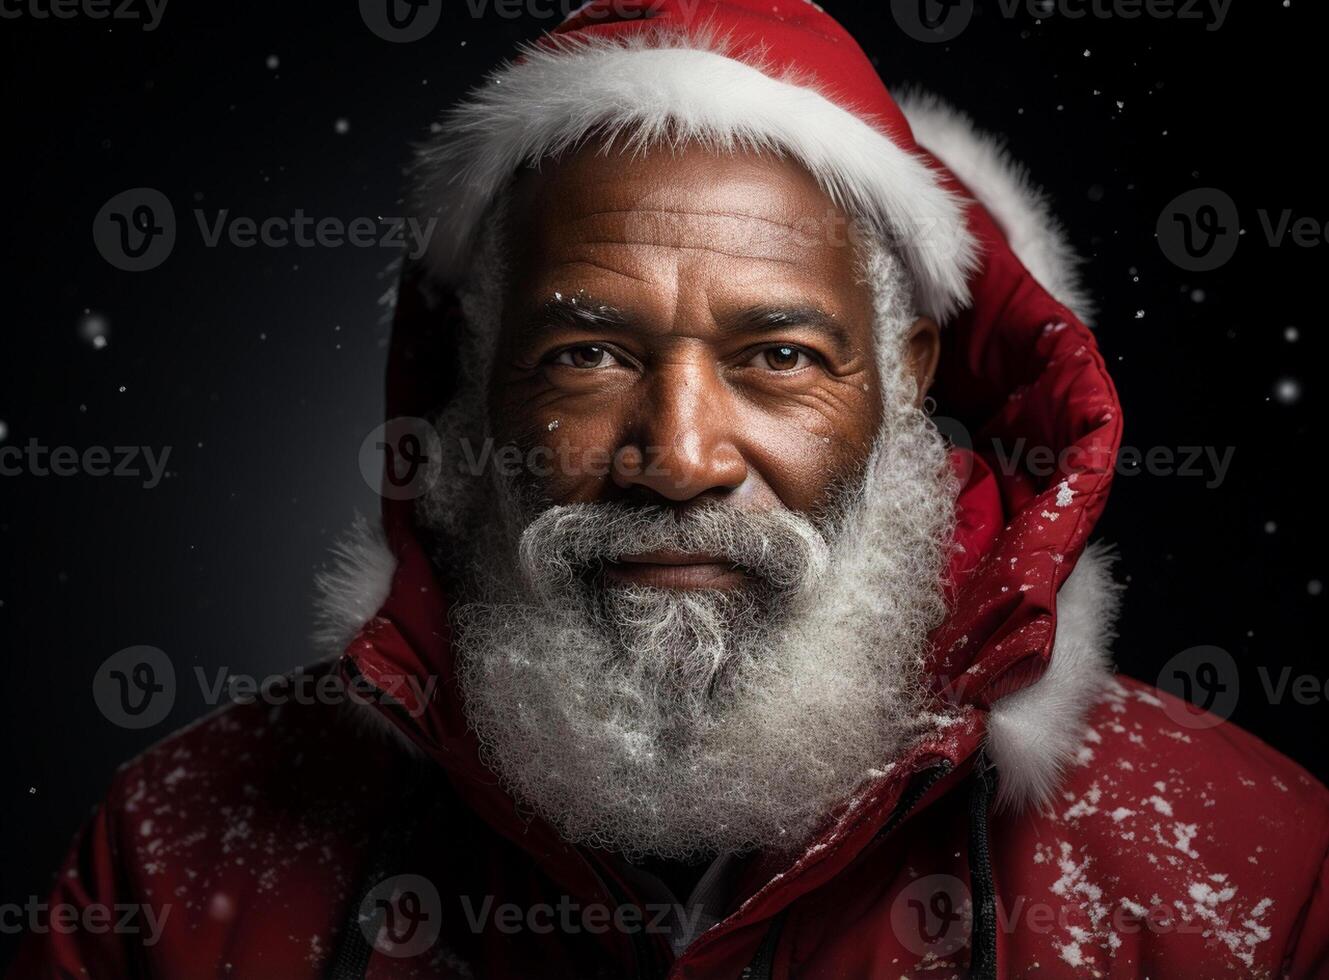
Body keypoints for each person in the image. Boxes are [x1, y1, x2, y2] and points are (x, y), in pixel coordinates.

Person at [13, 1, 1328, 976]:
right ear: (478, 378)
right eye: (586, 355)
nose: (682, 457)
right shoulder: (175, 869)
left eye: (778, 358)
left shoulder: (1241, 868)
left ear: (904, 377)